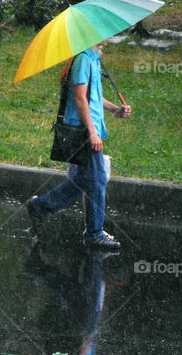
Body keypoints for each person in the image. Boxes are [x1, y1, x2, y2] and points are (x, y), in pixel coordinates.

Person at [26, 42, 131, 250]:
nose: (109, 37)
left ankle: (41, 207)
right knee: (97, 178)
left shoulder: (93, 57)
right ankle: (93, 232)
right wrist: (92, 132)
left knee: (88, 179)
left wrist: (114, 109)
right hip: (82, 129)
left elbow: (94, 96)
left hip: (90, 128)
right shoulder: (82, 59)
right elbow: (81, 99)